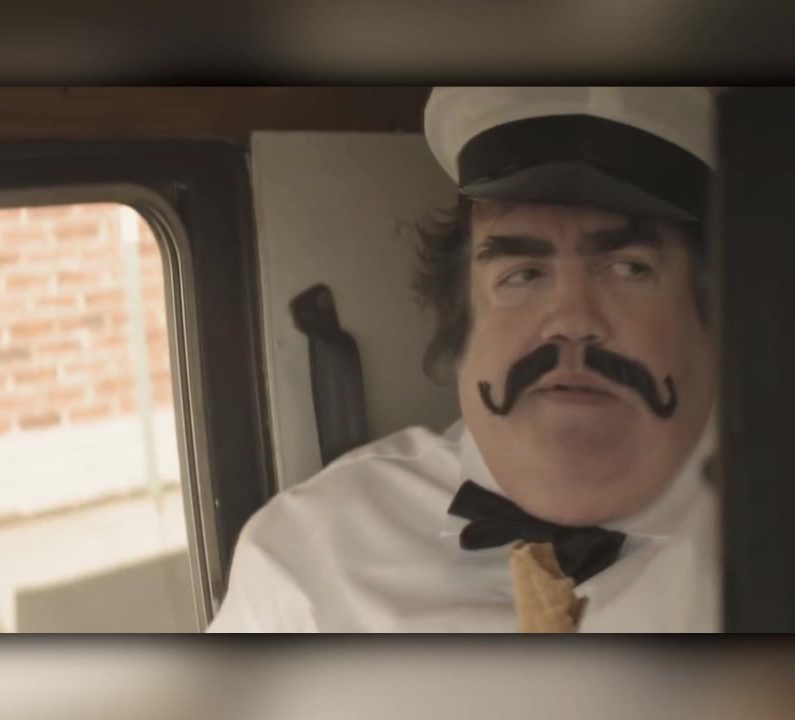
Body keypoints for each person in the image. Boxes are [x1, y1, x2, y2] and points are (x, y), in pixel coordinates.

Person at [208, 87, 720, 632]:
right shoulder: (300, 561)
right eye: (522, 274)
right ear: (459, 328)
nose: (572, 320)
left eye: (630, 268)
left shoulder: (778, 541)